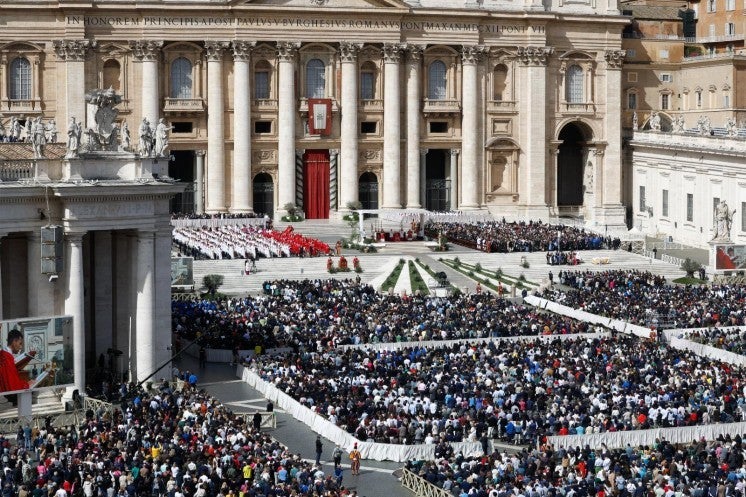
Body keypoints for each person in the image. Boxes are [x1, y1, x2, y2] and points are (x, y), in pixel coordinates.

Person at [0, 328, 32, 392]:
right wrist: (27, 384)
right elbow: (12, 387)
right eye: (20, 343)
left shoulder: (3, 354)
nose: (21, 347)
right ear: (14, 342)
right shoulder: (6, 358)